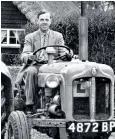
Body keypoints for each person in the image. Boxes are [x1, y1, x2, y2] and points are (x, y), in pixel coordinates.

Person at [16, 11, 72, 113]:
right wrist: (29, 57)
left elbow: (63, 52)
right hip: (37, 65)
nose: (44, 22)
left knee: (66, 73)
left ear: (50, 21)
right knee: (30, 72)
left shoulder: (58, 36)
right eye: (42, 20)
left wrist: (68, 55)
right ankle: (30, 105)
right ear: (37, 21)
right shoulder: (30, 37)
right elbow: (25, 54)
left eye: (47, 20)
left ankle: (63, 103)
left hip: (53, 66)